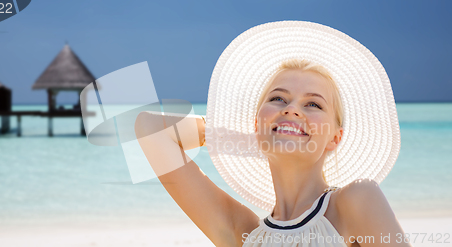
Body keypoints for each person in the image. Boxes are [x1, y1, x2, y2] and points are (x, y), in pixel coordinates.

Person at [135, 21, 410, 247]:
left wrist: (280, 133)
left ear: (335, 138)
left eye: (313, 104)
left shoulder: (355, 202)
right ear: (256, 123)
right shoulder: (243, 234)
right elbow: (149, 128)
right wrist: (260, 136)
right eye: (278, 99)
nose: (291, 109)